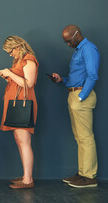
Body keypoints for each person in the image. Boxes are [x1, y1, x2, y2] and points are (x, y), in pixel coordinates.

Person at [52, 25, 100, 188]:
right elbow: (76, 78)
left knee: (86, 137)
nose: (67, 45)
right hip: (74, 94)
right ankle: (82, 173)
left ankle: (90, 177)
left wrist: (81, 97)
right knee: (80, 138)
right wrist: (62, 80)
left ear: (77, 35)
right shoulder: (78, 50)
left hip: (81, 98)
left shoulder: (88, 48)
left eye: (68, 41)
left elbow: (92, 75)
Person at [0, 36, 38, 189]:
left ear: (18, 46)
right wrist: (8, 76)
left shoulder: (29, 59)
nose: (10, 54)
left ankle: (28, 180)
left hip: (23, 105)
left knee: (24, 142)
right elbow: (19, 81)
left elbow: (29, 83)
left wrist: (10, 73)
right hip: (16, 105)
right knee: (20, 142)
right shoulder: (19, 61)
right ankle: (26, 176)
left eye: (11, 51)